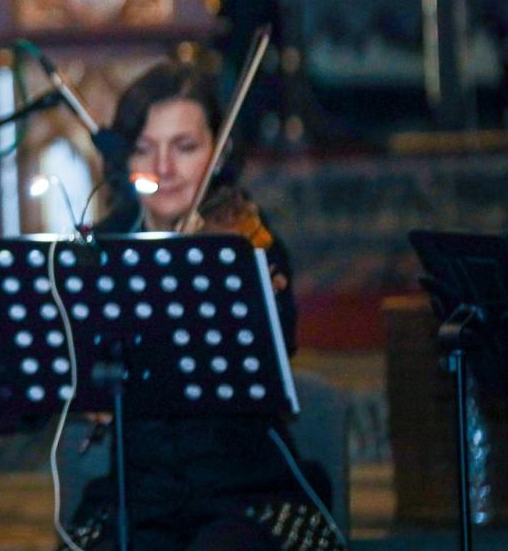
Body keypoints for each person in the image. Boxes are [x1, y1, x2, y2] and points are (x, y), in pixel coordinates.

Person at [66, 61, 343, 551]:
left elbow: (280, 347)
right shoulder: (100, 248)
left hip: (244, 494)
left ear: (218, 152)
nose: (165, 169)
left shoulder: (248, 240)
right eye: (144, 150)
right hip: (138, 496)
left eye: (185, 147)